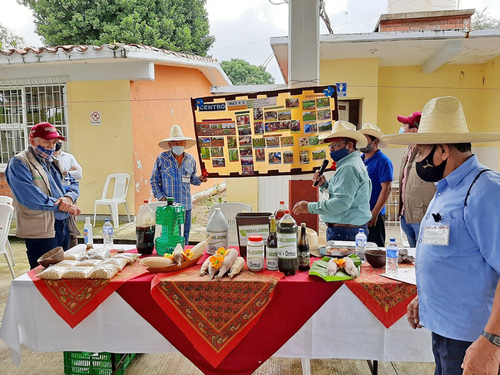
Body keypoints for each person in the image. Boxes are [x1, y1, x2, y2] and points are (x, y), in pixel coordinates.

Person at [383, 96, 500, 375]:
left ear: (443, 151)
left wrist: (492, 341)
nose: (416, 159)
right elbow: (453, 255)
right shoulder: (446, 189)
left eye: (421, 150)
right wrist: (426, 297)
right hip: (446, 330)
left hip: (475, 336)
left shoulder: (485, 191)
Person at [5, 122, 81, 269]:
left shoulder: (54, 162)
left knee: (66, 271)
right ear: (32, 141)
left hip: (64, 225)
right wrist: (62, 205)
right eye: (46, 141)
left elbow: (72, 183)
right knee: (45, 276)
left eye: (54, 142)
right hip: (41, 230)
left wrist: (68, 198)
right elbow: (30, 197)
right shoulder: (19, 163)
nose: (51, 146)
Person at [292, 120, 372, 242]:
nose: (331, 150)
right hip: (347, 230)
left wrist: (309, 207)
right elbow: (343, 194)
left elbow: (341, 203)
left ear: (349, 146)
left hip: (345, 232)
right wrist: (324, 185)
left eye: (336, 145)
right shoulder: (350, 164)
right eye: (330, 146)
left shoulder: (349, 167)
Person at [150, 124, 207, 244]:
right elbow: (154, 180)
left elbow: (193, 180)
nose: (178, 145)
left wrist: (201, 179)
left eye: (181, 143)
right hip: (169, 207)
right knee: (169, 234)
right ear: (170, 144)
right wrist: (161, 197)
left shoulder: (190, 160)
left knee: (184, 235)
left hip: (185, 205)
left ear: (185, 144)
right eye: (175, 143)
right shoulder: (162, 158)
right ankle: (169, 257)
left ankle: (183, 255)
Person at [396, 111, 436, 247]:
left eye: (404, 126)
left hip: (421, 216)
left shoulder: (430, 154)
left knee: (423, 253)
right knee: (413, 256)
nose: (401, 129)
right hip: (405, 214)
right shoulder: (408, 150)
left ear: (415, 130)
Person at [359, 123, 393, 247]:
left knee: (374, 249)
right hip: (360, 213)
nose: (362, 143)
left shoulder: (383, 161)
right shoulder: (360, 160)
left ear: (375, 142)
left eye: (365, 139)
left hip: (374, 214)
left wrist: (374, 214)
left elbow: (387, 189)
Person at [54, 141, 83, 248]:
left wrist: (66, 173)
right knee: (58, 230)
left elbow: (79, 174)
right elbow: (54, 177)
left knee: (71, 227)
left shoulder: (68, 157)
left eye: (58, 141)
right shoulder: (46, 159)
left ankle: (73, 249)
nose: (55, 144)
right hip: (56, 199)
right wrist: (66, 172)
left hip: (70, 197)